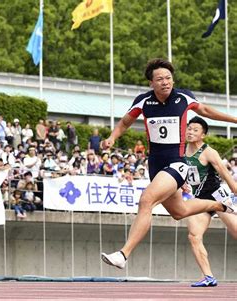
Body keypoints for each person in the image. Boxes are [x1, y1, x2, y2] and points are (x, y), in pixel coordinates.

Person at [100, 58, 236, 270]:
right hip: (155, 166)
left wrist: (235, 120)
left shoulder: (182, 97)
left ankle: (123, 254)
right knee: (179, 212)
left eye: (169, 78)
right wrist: (112, 138)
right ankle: (218, 206)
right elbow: (126, 121)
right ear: (151, 83)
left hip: (177, 164)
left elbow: (206, 111)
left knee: (146, 200)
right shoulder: (143, 101)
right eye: (160, 79)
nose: (165, 82)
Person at [184, 117, 237, 287]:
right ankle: (208, 277)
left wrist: (235, 191)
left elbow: (225, 174)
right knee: (194, 236)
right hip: (199, 200)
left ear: (203, 135)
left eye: (195, 130)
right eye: (189, 128)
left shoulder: (209, 152)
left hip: (218, 196)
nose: (190, 132)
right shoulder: (180, 151)